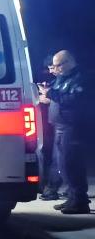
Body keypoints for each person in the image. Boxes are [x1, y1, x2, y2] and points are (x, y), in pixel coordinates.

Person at [38, 50, 88, 215]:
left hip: (72, 127)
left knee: (72, 164)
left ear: (68, 62)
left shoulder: (81, 78)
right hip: (60, 126)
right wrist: (48, 95)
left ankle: (80, 201)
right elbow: (59, 96)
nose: (55, 68)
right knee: (62, 165)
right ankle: (72, 198)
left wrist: (50, 93)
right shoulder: (62, 78)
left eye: (58, 65)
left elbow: (73, 99)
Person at [38, 59, 65, 200]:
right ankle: (71, 191)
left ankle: (53, 188)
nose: (50, 71)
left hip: (64, 125)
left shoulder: (67, 81)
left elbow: (64, 99)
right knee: (57, 157)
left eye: (52, 67)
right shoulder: (58, 80)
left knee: (59, 158)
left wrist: (48, 96)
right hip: (55, 125)